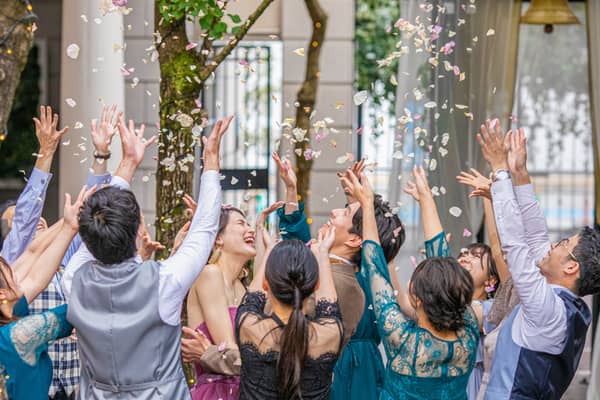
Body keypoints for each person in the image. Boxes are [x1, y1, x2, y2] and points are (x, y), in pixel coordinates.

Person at [61, 116, 231, 399]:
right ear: (138, 232)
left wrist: (127, 163)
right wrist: (210, 161)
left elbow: (93, 230)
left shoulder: (73, 281)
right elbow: (204, 230)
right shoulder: (164, 282)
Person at [478, 119, 600, 399]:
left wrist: (499, 171)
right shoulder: (568, 307)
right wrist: (520, 173)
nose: (552, 246)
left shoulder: (549, 309)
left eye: (562, 244)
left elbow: (517, 246)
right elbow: (534, 239)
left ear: (572, 267)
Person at [0, 105, 114, 400]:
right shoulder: (14, 263)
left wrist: (101, 157)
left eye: (42, 219)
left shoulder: (68, 253)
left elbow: (90, 208)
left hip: (75, 381)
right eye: (19, 222)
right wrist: (45, 153)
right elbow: (28, 214)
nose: (35, 221)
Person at [273, 155, 405, 400]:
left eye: (344, 210)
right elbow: (297, 246)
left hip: (354, 373)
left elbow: (367, 243)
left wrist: (360, 203)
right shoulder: (325, 262)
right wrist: (292, 190)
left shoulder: (365, 278)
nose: (333, 212)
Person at [343, 168, 479, 400]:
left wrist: (367, 205)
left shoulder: (404, 341)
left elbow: (376, 270)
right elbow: (444, 266)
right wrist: (426, 199)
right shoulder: (469, 331)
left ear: (417, 299)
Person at [404, 165, 508, 399]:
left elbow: (498, 248)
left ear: (492, 279)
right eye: (464, 253)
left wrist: (491, 200)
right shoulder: (445, 299)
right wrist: (425, 200)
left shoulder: (490, 311)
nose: (465, 256)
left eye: (475, 256)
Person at [0, 185, 92, 400]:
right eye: (11, 275)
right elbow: (77, 308)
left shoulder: (10, 307)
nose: (18, 275)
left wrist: (69, 225)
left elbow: (33, 260)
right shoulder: (19, 335)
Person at [236, 219, 343, 399]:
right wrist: (323, 254)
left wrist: (270, 249)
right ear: (316, 284)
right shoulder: (331, 334)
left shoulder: (249, 327)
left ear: (265, 283)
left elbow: (253, 298)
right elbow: (329, 306)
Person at [185, 201, 269, 399]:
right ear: (218, 238)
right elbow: (228, 348)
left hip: (246, 390)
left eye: (250, 226)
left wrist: (260, 228)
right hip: (218, 392)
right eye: (241, 223)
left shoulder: (243, 287)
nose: (249, 230)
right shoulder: (209, 274)